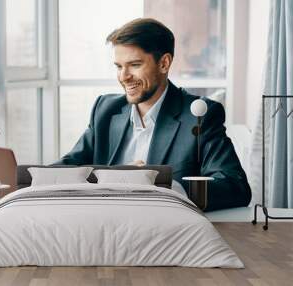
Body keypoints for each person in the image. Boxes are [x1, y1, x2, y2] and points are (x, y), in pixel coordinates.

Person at [55, 18, 251, 211]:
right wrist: (30, 177)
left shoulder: (201, 115)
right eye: (118, 66)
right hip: (103, 223)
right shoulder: (105, 109)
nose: (123, 76)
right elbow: (69, 168)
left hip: (164, 230)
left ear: (164, 63)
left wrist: (158, 184)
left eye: (135, 64)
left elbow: (235, 187)